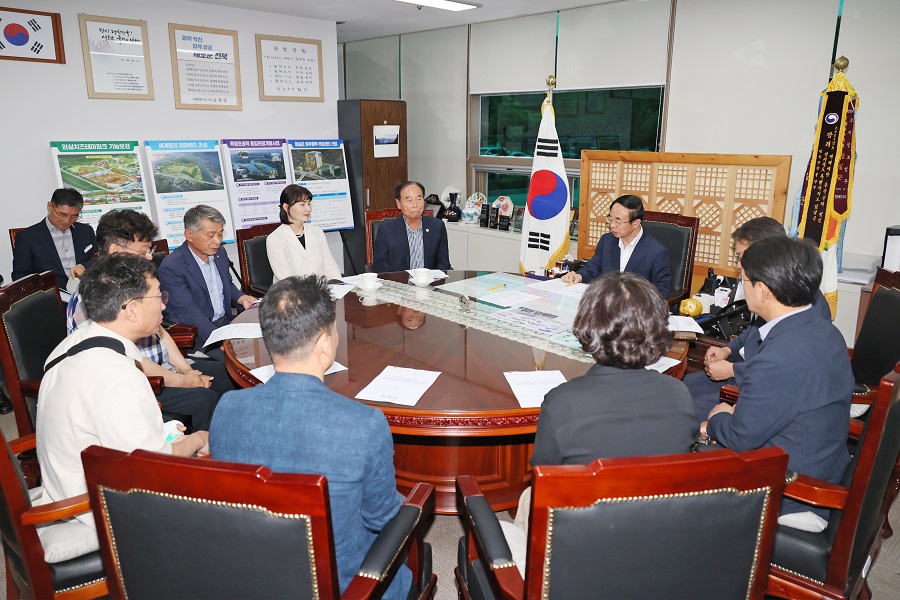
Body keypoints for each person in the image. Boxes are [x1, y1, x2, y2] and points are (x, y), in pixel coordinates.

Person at [209, 276, 411, 599]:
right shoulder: (365, 425)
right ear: (325, 344)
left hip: (254, 578)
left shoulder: (226, 409)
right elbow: (382, 518)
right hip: (346, 585)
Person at [35, 253, 209, 561]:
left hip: (64, 479)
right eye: (159, 295)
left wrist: (164, 432)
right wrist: (199, 439)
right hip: (94, 505)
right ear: (131, 310)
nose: (165, 305)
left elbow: (103, 427)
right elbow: (151, 469)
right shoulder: (119, 375)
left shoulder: (73, 344)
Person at [703, 236, 853, 531]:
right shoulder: (824, 330)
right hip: (822, 459)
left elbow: (740, 438)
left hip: (794, 489)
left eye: (743, 279)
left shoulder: (781, 356)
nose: (741, 286)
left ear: (762, 291)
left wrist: (718, 416)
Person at [67, 209, 232, 431]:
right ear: (116, 251)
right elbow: (128, 361)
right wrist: (184, 381)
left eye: (149, 250)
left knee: (229, 374)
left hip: (166, 369)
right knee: (206, 399)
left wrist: (185, 370)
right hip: (137, 382)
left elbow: (160, 331)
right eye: (143, 251)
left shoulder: (133, 285)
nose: (149, 258)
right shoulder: (93, 295)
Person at [531, 271, 698, 467]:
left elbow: (544, 473)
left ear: (587, 328)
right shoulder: (678, 392)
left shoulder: (562, 402)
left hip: (589, 498)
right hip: (662, 496)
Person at [684, 216, 833, 421]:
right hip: (741, 371)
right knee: (675, 390)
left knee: (682, 409)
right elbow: (752, 331)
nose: (739, 265)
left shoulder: (801, 304)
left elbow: (779, 372)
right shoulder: (772, 291)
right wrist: (727, 349)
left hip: (754, 387)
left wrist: (732, 370)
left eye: (742, 256)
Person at [158, 205, 257, 348]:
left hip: (224, 323)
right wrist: (220, 339)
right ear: (189, 235)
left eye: (220, 234)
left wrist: (242, 298)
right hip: (196, 335)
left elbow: (226, 284)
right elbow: (188, 312)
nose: (217, 241)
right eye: (211, 235)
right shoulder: (173, 266)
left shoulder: (220, 253)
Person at [561, 194, 671, 298]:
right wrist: (578, 276)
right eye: (610, 219)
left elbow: (661, 291)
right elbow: (593, 268)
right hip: (604, 304)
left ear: (636, 223)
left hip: (635, 310)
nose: (612, 225)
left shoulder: (657, 252)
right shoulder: (607, 240)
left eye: (618, 221)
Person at [12, 188, 96, 289]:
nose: (67, 221)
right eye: (62, 214)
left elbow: (100, 260)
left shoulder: (86, 231)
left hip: (87, 292)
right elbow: (20, 275)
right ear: (50, 206)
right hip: (50, 296)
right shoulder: (27, 237)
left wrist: (84, 267)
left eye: (74, 216)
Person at [267, 184, 342, 282]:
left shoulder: (317, 232)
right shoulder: (275, 239)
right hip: (291, 293)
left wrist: (338, 286)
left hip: (321, 292)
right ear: (286, 207)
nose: (308, 209)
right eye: (302, 204)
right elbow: (286, 278)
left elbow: (330, 266)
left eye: (309, 203)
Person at [372, 181, 451, 273]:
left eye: (418, 199)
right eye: (409, 200)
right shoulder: (386, 229)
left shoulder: (437, 226)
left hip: (429, 284)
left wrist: (433, 280)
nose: (415, 205)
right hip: (399, 284)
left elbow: (443, 262)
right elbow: (380, 265)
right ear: (398, 203)